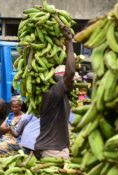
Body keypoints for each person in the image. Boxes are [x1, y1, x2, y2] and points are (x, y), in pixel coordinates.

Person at [34, 26, 76, 159]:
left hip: (52, 147)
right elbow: (70, 73)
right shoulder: (53, 92)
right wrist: (69, 42)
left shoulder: (54, 93)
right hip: (53, 151)